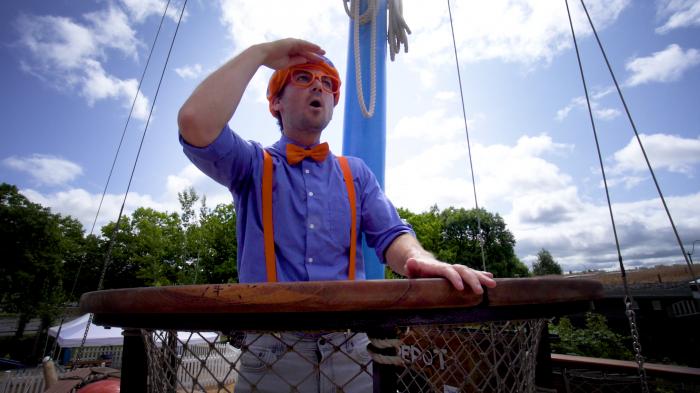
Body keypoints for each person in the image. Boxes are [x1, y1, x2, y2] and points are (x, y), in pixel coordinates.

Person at [178, 38, 496, 393]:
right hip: (270, 351)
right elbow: (195, 122)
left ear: (332, 103)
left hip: (351, 351)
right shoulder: (252, 164)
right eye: (302, 77)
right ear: (276, 102)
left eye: (327, 83)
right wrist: (261, 53)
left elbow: (391, 234)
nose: (318, 85)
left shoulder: (355, 173)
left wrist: (417, 259)